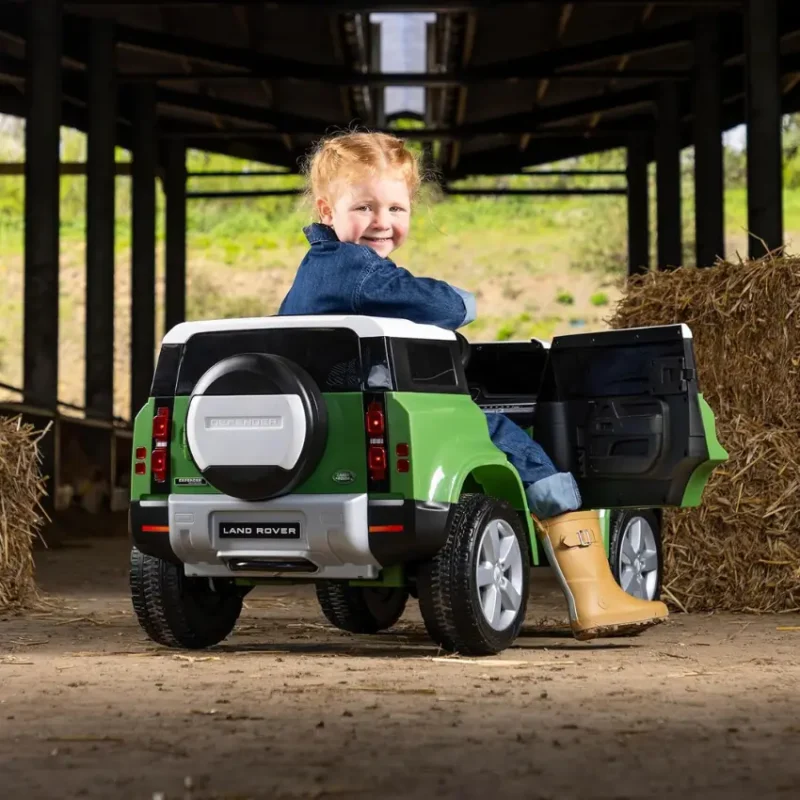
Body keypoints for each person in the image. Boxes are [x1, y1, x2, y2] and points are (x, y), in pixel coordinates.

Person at [279, 131, 668, 641]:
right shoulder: (356, 270)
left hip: (324, 417)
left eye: (396, 208)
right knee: (512, 441)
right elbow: (440, 308)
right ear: (327, 211)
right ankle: (593, 593)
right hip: (386, 409)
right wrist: (465, 302)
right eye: (365, 207)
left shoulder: (317, 271)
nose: (382, 222)